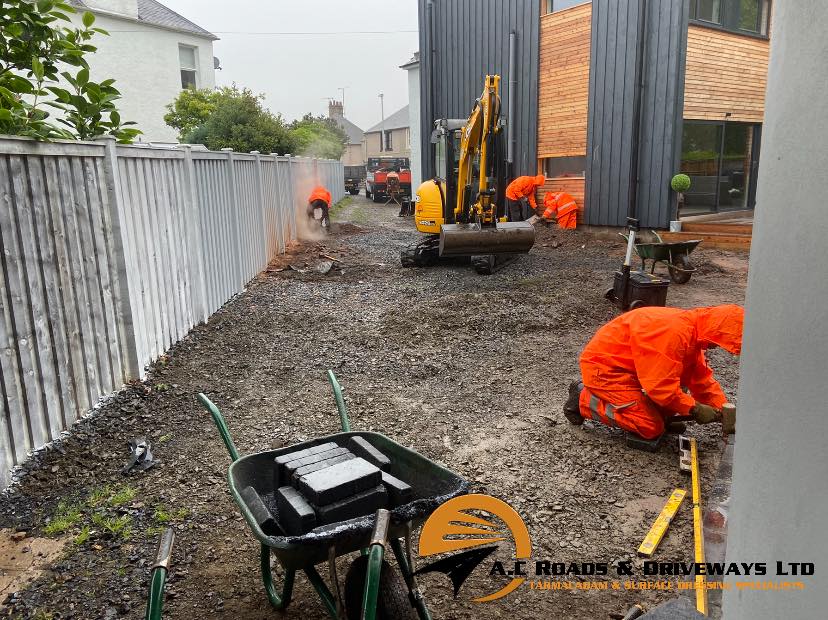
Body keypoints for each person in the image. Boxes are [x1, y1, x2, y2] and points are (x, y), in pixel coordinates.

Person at [563, 305, 744, 442]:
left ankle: (655, 415)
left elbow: (701, 381)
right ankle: (582, 399)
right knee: (650, 427)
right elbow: (660, 388)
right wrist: (693, 409)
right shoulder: (673, 334)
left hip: (629, 371)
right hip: (604, 371)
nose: (718, 347)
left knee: (671, 407)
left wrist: (724, 411)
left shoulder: (693, 333)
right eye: (720, 343)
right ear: (716, 332)